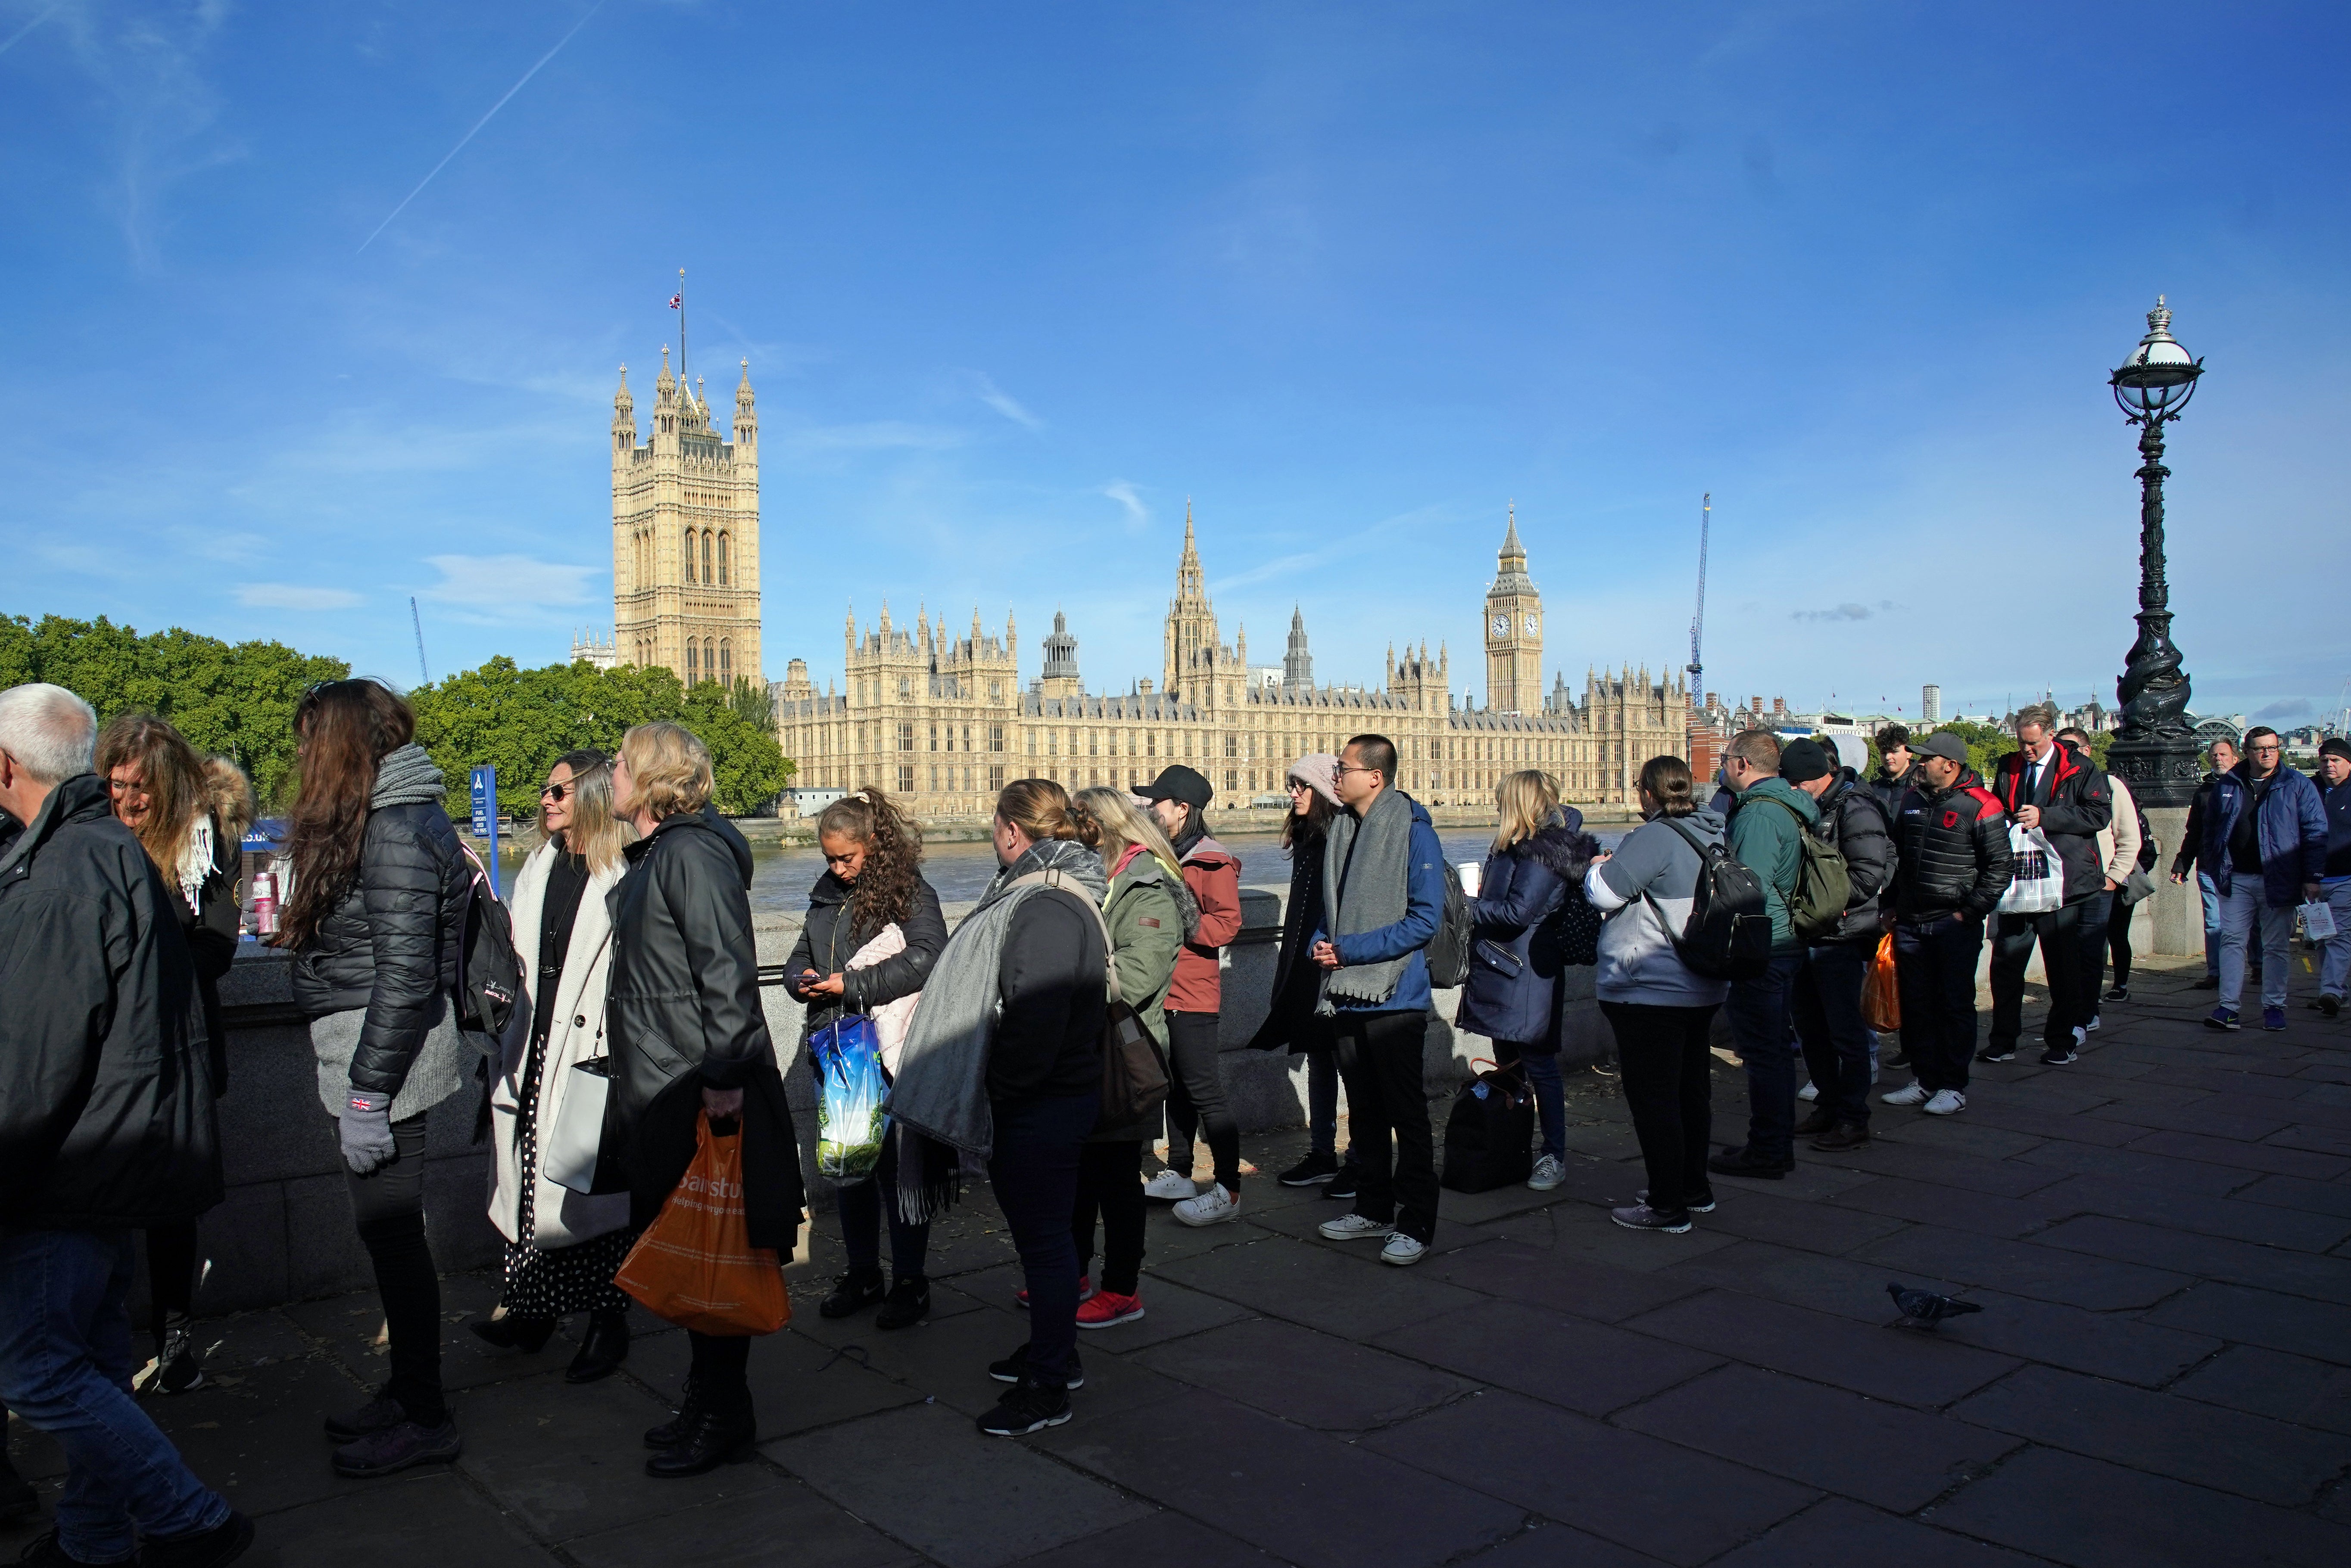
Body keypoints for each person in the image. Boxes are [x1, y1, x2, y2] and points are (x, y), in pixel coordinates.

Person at [0, 684, 251, 1568]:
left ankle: (190, 1517)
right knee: (99, 1361)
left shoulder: (60, 871)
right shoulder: (106, 851)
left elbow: (33, 1058)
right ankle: (95, 1535)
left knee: (39, 1370)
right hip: (119, 1154)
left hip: (71, 1165)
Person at [282, 680, 472, 1479]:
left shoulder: (394, 827)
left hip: (387, 1061)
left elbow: (404, 976)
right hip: (375, 1053)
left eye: (308, 742)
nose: (301, 758)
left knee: (395, 1239)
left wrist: (367, 1097)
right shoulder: (396, 813)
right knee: (388, 1238)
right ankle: (406, 1390)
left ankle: (425, 1414)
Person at [605, 722, 801, 1476]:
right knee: (691, 1248)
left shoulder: (688, 854)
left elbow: (726, 971)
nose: (610, 777)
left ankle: (725, 1414)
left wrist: (721, 1079)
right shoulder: (666, 854)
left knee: (714, 1251)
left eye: (620, 766)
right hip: (664, 1077)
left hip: (693, 1085)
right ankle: (705, 1401)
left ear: (652, 778)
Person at [889, 779, 1107, 1435]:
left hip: (1042, 1105)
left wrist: (997, 1093)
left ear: (1013, 832)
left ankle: (1049, 1387)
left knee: (1045, 1245)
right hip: (1054, 1098)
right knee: (1048, 1240)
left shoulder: (1042, 907)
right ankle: (1053, 1352)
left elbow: (1037, 1020)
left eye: (994, 826)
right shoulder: (1048, 897)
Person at [95, 716, 254, 1397]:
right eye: (117, 785)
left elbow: (217, 945)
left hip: (175, 1047)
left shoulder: (205, 839)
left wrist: (135, 973)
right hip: (102, 1059)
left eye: (143, 789)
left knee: (172, 1207)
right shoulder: (88, 844)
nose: (129, 802)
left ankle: (176, 1341)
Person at [474, 751, 638, 1383]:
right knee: (524, 1181)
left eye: (558, 791)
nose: (545, 800)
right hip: (533, 1043)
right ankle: (532, 1309)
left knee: (589, 1191)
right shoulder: (539, 868)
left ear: (591, 797)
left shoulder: (620, 873)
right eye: (545, 790)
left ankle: (607, 1322)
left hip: (588, 1053)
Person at [785, 788, 951, 1331]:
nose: (838, 868)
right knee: (850, 1170)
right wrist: (800, 981)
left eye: (846, 858)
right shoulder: (825, 896)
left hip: (885, 1052)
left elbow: (927, 956)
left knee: (898, 1173)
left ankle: (910, 1281)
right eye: (830, 858)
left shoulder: (909, 891)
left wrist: (851, 984)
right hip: (838, 1051)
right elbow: (800, 956)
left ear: (873, 845)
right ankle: (863, 1274)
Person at [1310, 734, 1447, 1266]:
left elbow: (1423, 920)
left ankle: (1415, 1221)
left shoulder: (1414, 832)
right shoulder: (1341, 829)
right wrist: (1318, 944)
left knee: (1405, 1114)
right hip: (1346, 993)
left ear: (1375, 776)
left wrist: (1348, 951)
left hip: (1394, 994)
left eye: (1341, 767)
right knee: (1364, 1111)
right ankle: (1372, 1207)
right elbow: (1331, 908)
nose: (1334, 775)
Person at [1582, 755, 1731, 1232]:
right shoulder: (1712, 830)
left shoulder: (1654, 836)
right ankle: (1693, 1188)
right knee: (1691, 1092)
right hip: (1701, 983)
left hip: (1652, 988)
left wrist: (1597, 867)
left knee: (1654, 1099)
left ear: (1647, 792)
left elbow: (1603, 895)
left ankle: (1666, 1207)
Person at [1069, 787, 1190, 1329]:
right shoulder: (1099, 879)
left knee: (1118, 1181)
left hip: (1127, 1053)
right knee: (1078, 1175)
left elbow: (1138, 979)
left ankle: (1121, 1289)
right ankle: (1071, 1274)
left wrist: (1063, 982)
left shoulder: (1147, 889)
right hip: (1087, 1048)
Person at [1455, 770, 1598, 1191]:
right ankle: (1511, 1144)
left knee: (1537, 1064)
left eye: (1501, 800)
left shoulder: (1542, 850)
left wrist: (1463, 905)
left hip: (1527, 972)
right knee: (1509, 1065)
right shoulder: (1518, 844)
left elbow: (1518, 912)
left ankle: (1553, 1155)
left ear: (1518, 802)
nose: (1497, 807)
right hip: (1504, 966)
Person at [1135, 765, 1246, 1226]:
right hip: (1167, 991)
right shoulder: (1164, 855)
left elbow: (1226, 925)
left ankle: (1228, 1189)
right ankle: (1180, 1171)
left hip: (1194, 994)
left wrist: (1177, 923)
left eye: (1155, 803)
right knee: (1173, 1087)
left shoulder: (1210, 861)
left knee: (1204, 1092)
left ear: (1182, 809)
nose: (1148, 809)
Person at [1879, 733, 2011, 1115]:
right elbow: (1899, 857)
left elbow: (2001, 868)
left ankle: (1953, 1085)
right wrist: (1891, 905)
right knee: (1917, 1005)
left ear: (1950, 765)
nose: (1920, 764)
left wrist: (1968, 913)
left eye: (1927, 759)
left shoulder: (1982, 806)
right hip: (1910, 920)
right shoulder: (1912, 800)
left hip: (1953, 923)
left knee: (1954, 1005)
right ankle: (1925, 1080)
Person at [1706, 730, 1817, 1181]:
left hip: (1761, 948)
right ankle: (1773, 1145)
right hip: (1784, 942)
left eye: (1725, 758)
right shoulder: (1787, 806)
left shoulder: (1756, 816)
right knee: (1772, 1051)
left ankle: (1768, 1149)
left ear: (1742, 765)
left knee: (1764, 1054)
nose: (1721, 766)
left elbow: (1743, 887)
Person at [1248, 756, 1356, 1197]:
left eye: (1301, 785)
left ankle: (1360, 1162)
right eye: (1292, 784)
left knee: (1347, 1065)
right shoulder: (1307, 838)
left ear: (1325, 794)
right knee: (1318, 1059)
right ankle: (1322, 1154)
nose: (1292, 792)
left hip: (1335, 964)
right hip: (1305, 963)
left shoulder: (1342, 840)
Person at [1983, 704, 2113, 1067]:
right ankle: (2004, 1039)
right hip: (2020, 878)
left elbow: (2098, 815)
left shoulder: (2081, 768)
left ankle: (2061, 1040)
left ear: (2050, 734)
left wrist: (2047, 817)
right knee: (2007, 962)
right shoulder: (2009, 767)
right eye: (2022, 743)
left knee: (2062, 966)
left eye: (2034, 744)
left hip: (2064, 881)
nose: (2027, 750)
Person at [1780, 738, 1891, 1153]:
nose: (1790, 790)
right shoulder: (1811, 807)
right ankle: (1828, 1107)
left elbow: (1868, 877)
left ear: (1813, 777)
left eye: (1794, 782)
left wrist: (1819, 904)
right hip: (1809, 934)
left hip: (1841, 937)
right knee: (1812, 1031)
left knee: (1846, 1033)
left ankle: (1853, 1117)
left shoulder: (1856, 807)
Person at [2195, 726, 2327, 1033]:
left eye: (2272, 747)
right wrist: (2214, 865)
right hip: (2236, 877)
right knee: (2231, 940)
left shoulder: (2296, 784)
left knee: (2277, 946)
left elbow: (2315, 832)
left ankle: (2274, 1006)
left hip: (2279, 877)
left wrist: (2312, 877)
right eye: (2259, 748)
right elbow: (2211, 829)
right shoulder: (2229, 784)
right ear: (2248, 752)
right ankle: (2228, 1007)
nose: (2266, 753)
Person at [2058, 727, 2143, 1025]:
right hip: (2063, 882)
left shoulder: (2110, 785)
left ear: (2088, 750)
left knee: (2092, 948)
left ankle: (2089, 1009)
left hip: (2099, 882)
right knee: (2067, 952)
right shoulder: (2056, 784)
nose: (2067, 754)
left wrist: (2114, 877)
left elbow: (2129, 837)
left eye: (2073, 747)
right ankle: (2074, 1010)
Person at [2171, 738, 2242, 989]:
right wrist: (2182, 863)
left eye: (2223, 755)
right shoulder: (2203, 792)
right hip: (2210, 864)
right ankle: (2216, 972)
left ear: (2235, 758)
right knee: (2214, 921)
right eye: (2214, 755)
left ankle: (2257, 965)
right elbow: (2194, 831)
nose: (2218, 759)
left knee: (2249, 920)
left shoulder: (2246, 787)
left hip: (2242, 866)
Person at [2312, 738, 2351, 1018]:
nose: (2329, 765)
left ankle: (2332, 990)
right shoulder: (2310, 789)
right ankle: (2337, 990)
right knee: (2322, 937)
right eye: (2325, 760)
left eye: (2336, 760)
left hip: (2345, 878)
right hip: (2313, 879)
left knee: (2340, 936)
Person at [1870, 725, 1914, 819]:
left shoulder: (1922, 787)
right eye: (1883, 753)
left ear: (1909, 753)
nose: (1888, 757)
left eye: (1894, 752)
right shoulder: (1872, 789)